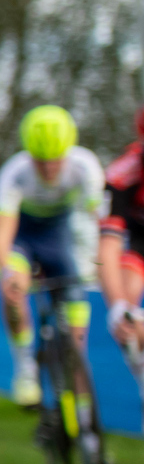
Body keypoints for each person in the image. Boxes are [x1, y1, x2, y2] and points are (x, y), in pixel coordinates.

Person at [0, 105, 107, 406]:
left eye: (55, 161)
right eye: (41, 162)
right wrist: (8, 270)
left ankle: (85, 423)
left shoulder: (86, 167)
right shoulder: (13, 174)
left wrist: (98, 264)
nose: (49, 169)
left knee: (77, 336)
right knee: (13, 289)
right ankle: (25, 367)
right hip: (22, 237)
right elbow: (1, 234)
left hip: (60, 236)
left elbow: (100, 222)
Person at [96, 108, 144, 381]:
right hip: (139, 242)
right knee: (127, 294)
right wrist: (117, 307)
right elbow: (107, 249)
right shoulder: (120, 175)